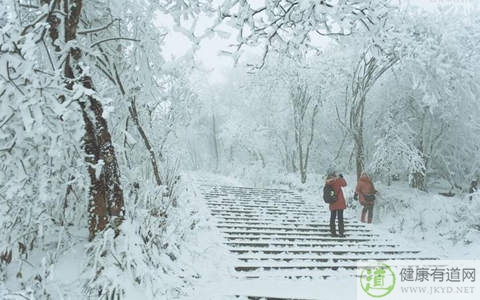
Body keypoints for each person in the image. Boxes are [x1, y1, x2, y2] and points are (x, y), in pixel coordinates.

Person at [325, 169, 347, 237]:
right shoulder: (338, 180)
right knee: (340, 218)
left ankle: (333, 232)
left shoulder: (328, 181)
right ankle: (341, 232)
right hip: (339, 202)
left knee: (332, 217)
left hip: (333, 201)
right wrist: (341, 177)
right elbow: (345, 184)